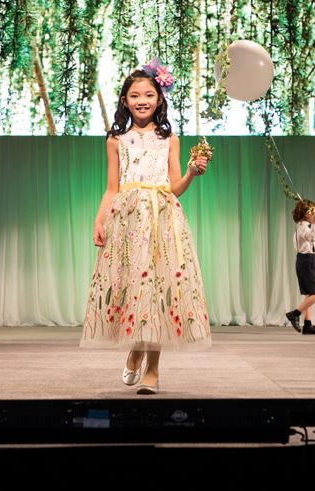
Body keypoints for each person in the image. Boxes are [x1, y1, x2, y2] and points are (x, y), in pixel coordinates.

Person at [80, 60, 211, 394]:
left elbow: (174, 187)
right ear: (125, 100)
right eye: (135, 95)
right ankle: (136, 347)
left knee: (159, 293)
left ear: (159, 99)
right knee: (134, 291)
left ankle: (152, 369)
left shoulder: (169, 139)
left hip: (163, 220)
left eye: (148, 94)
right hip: (127, 222)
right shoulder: (115, 140)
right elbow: (112, 187)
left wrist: (192, 175)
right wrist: (100, 219)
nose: (142, 100)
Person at [285, 198, 315, 335]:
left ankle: (307, 325)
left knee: (310, 294)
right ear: (306, 214)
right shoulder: (303, 227)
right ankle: (294, 314)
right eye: (312, 211)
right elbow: (312, 238)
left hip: (307, 260)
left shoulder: (301, 227)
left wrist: (313, 220)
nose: (314, 213)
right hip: (307, 260)